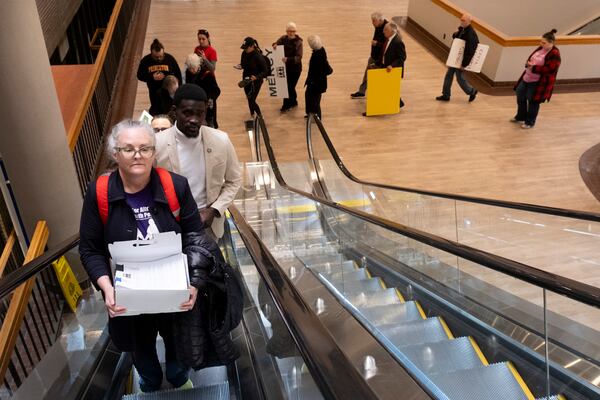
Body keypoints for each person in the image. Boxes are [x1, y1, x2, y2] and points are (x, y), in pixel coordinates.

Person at [79, 119, 219, 392]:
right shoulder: (99, 193)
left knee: (179, 344)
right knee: (140, 349)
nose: (137, 155)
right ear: (115, 154)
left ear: (154, 152)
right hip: (128, 296)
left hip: (174, 289)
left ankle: (179, 379)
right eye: (128, 149)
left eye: (145, 148)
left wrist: (194, 283)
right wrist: (106, 287)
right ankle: (150, 382)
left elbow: (195, 238)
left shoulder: (175, 186)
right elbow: (90, 248)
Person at [155, 84, 241, 239]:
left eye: (200, 114)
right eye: (187, 113)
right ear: (175, 111)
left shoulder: (221, 140)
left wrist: (214, 210)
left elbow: (234, 181)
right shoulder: (156, 143)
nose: (194, 119)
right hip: (169, 228)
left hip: (208, 226)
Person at [512, 29, 561, 129]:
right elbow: (532, 58)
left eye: (544, 42)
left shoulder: (555, 54)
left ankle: (530, 122)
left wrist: (534, 68)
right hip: (526, 78)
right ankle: (520, 116)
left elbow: (550, 69)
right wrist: (528, 64)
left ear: (551, 43)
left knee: (533, 102)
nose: (541, 44)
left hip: (538, 83)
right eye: (541, 42)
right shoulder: (541, 48)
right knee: (520, 95)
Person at [362, 22, 406, 116]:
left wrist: (392, 65)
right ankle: (397, 103)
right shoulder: (388, 39)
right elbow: (384, 53)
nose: (383, 31)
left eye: (386, 30)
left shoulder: (398, 42)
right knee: (388, 90)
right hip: (384, 68)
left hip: (392, 71)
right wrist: (377, 63)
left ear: (392, 31)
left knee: (384, 89)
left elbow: (402, 58)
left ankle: (375, 109)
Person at [435, 13, 478, 102]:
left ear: (469, 22)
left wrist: (464, 64)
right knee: (449, 75)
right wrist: (456, 33)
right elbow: (457, 39)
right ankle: (446, 95)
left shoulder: (471, 34)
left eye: (463, 20)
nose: (461, 21)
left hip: (461, 60)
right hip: (456, 58)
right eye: (461, 19)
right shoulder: (463, 29)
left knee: (460, 78)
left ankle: (472, 91)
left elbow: (470, 51)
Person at [137, 39, 182, 115]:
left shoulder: (170, 59)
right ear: (151, 53)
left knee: (168, 109)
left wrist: (178, 89)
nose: (159, 59)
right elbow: (139, 75)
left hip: (168, 91)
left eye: (161, 56)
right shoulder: (145, 61)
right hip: (154, 91)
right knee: (156, 109)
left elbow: (178, 74)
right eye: (156, 57)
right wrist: (152, 77)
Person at [351, 12, 388, 99]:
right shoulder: (378, 26)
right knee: (367, 74)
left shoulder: (387, 28)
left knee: (382, 81)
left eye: (374, 21)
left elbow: (388, 45)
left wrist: (377, 44)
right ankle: (362, 91)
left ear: (380, 20)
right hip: (374, 56)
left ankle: (397, 100)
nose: (372, 23)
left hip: (381, 59)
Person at [273, 22, 303, 112]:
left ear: (295, 31)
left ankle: (286, 106)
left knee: (288, 87)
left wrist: (288, 59)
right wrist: (274, 44)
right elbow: (276, 43)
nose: (291, 33)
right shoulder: (283, 38)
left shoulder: (299, 42)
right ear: (286, 31)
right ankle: (294, 102)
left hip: (295, 69)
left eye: (293, 31)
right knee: (290, 87)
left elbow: (299, 57)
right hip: (286, 68)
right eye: (289, 31)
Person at [185, 53, 221, 129]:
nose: (192, 70)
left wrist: (210, 99)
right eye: (190, 68)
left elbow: (217, 91)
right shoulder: (188, 73)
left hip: (207, 107)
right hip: (195, 106)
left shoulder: (207, 74)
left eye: (194, 68)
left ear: (199, 65)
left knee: (210, 128)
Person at [239, 37, 269, 118]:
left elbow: (265, 71)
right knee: (249, 98)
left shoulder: (258, 56)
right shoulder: (244, 53)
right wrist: (240, 66)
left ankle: (260, 116)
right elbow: (243, 64)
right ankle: (252, 115)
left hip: (256, 82)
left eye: (246, 47)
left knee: (252, 100)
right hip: (246, 80)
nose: (245, 49)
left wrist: (256, 77)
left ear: (252, 46)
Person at [305, 35, 332, 119]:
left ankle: (317, 117)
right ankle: (311, 114)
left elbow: (323, 70)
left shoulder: (318, 56)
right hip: (315, 82)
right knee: (310, 97)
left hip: (316, 83)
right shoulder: (320, 51)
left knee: (315, 100)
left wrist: (313, 81)